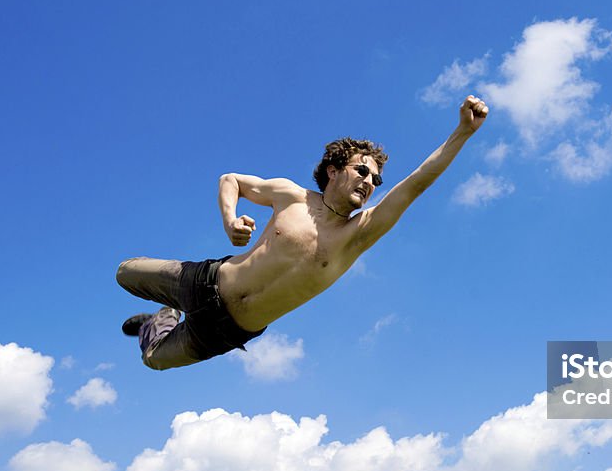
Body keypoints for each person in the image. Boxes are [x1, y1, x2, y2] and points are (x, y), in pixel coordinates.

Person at [116, 95, 489, 370]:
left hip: (226, 332)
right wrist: (230, 220)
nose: (370, 182)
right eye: (362, 171)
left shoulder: (358, 233)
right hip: (203, 283)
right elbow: (230, 179)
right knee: (124, 273)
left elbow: (415, 185)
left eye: (376, 179)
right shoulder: (291, 196)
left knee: (154, 360)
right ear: (333, 170)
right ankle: (170, 304)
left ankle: (160, 320)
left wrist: (462, 132)